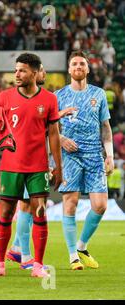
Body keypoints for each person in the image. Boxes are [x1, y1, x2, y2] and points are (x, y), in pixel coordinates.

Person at [0, 53, 62, 278]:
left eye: (22, 70)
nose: (17, 74)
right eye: (16, 70)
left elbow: (54, 135)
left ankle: (38, 265)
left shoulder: (49, 100)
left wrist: (58, 167)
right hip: (10, 166)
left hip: (38, 167)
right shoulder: (4, 98)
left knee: (40, 212)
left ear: (35, 73)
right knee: (5, 214)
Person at [5, 64, 76, 269]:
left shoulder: (46, 98)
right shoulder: (33, 99)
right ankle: (24, 255)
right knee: (28, 205)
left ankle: (18, 249)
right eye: (42, 69)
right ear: (36, 73)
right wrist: (61, 125)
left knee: (29, 205)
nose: (44, 73)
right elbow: (37, 129)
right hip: (28, 161)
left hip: (38, 160)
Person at [55, 50, 114, 270]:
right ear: (69, 70)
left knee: (100, 206)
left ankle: (81, 245)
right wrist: (60, 139)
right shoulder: (59, 95)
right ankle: (73, 256)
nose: (78, 67)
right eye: (74, 64)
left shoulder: (99, 94)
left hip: (94, 155)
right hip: (69, 155)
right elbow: (48, 127)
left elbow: (105, 127)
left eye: (82, 64)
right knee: (69, 204)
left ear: (88, 69)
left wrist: (110, 155)